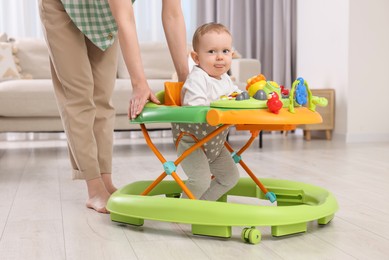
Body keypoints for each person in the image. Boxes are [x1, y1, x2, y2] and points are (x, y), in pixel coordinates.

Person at [38, 0, 189, 213]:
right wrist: (139, 84)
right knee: (80, 96)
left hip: (102, 12)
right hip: (63, 5)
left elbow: (173, 15)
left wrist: (186, 81)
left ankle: (106, 181)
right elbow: (125, 19)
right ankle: (94, 187)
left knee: (103, 97)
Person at [172, 23, 241, 201]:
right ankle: (181, 213)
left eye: (225, 51)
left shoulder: (225, 79)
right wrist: (221, 107)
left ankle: (202, 206)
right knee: (200, 180)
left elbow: (236, 97)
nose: (219, 57)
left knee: (230, 178)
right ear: (196, 57)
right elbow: (196, 108)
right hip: (192, 142)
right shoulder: (197, 79)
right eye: (211, 52)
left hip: (215, 142)